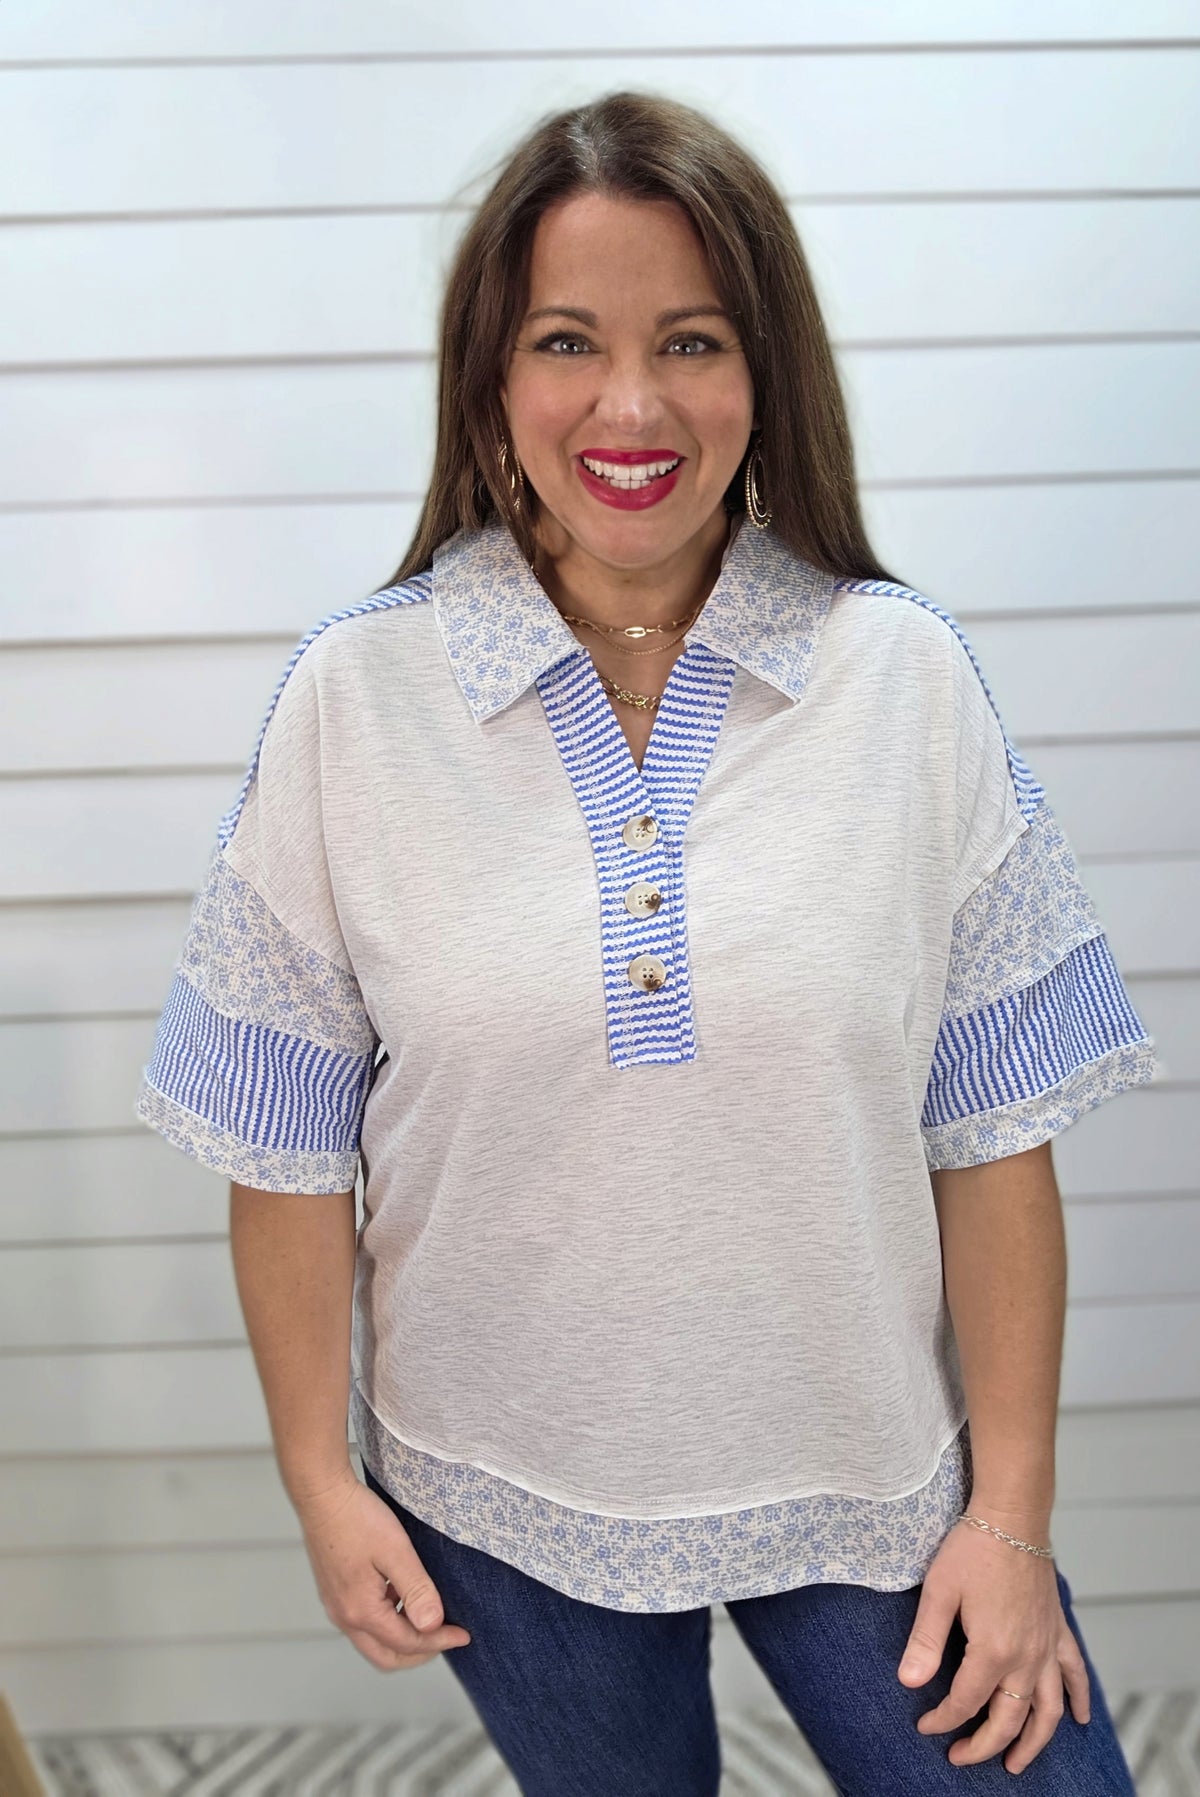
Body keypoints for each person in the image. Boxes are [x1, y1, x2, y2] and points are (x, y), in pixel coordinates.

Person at [135, 91, 1155, 1795]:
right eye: (566, 341)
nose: (629, 403)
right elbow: (285, 1146)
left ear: (766, 375)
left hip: (869, 1472)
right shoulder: (354, 701)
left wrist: (1014, 1518)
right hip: (503, 1491)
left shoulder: (900, 681)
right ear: (489, 378)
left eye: (689, 339)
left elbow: (994, 1142)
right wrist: (323, 1475)